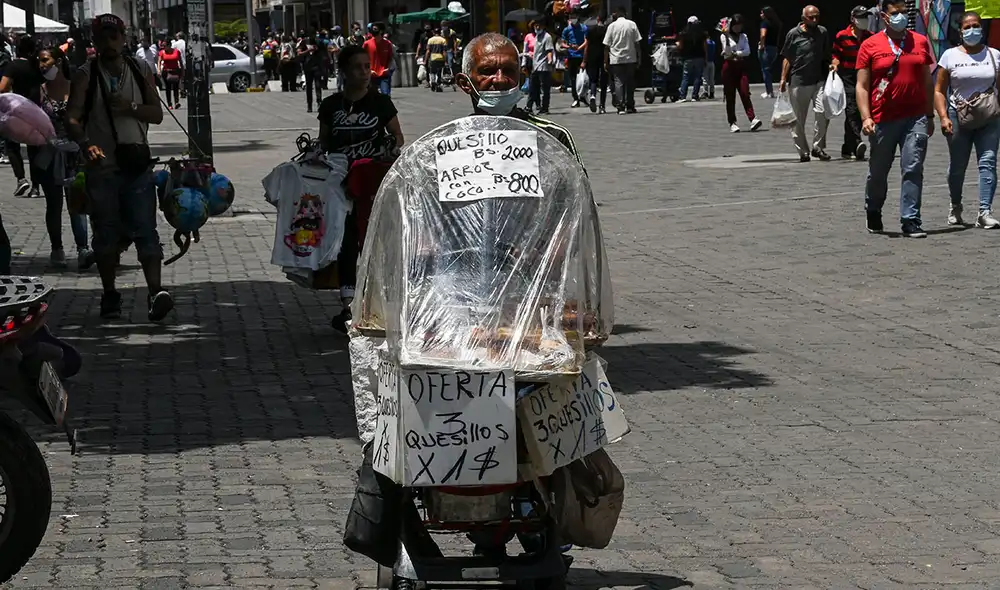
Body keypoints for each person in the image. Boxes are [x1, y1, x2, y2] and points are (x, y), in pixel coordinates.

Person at [66, 14, 171, 320]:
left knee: (146, 231)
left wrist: (130, 107)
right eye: (102, 38)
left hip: (137, 165)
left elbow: (157, 114)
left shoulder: (140, 69)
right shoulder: (86, 75)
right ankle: (110, 293)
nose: (109, 43)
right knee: (106, 234)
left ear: (124, 38)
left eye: (114, 37)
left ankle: (156, 293)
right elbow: (72, 117)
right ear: (95, 42)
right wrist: (86, 144)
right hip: (103, 168)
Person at [318, 44, 403, 331]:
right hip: (339, 184)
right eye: (357, 67)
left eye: (367, 66)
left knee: (373, 240)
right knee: (345, 241)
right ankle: (348, 304)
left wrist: (388, 148)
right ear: (343, 71)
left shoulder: (381, 103)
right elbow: (324, 142)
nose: (364, 72)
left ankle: (375, 303)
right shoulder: (331, 106)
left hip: (371, 184)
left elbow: (398, 135)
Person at [857, 0, 935, 238]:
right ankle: (873, 208)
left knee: (913, 167)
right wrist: (866, 117)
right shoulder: (870, 45)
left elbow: (927, 81)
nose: (901, 16)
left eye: (903, 12)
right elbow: (862, 86)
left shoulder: (920, 41)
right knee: (878, 171)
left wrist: (930, 114)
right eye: (895, 12)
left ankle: (910, 219)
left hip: (915, 116)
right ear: (884, 16)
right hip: (883, 118)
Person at [935, 11, 1000, 229]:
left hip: (989, 117)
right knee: (957, 166)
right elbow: (939, 90)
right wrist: (943, 116)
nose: (972, 30)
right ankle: (955, 205)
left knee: (988, 162)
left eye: (976, 26)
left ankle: (985, 211)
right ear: (960, 31)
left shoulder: (994, 55)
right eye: (967, 27)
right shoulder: (950, 56)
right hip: (958, 116)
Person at [37, 48, 92, 269]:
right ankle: (57, 248)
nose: (42, 65)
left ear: (58, 62)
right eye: (40, 61)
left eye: (45, 60)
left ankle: (83, 249)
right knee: (53, 204)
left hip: (74, 154)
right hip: (49, 154)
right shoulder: (39, 91)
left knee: (77, 202)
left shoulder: (74, 88)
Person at [780, 5, 832, 162]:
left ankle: (818, 147)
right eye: (811, 17)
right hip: (799, 81)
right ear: (803, 18)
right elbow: (787, 57)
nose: (815, 20)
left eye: (817, 16)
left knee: (823, 112)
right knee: (798, 119)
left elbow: (827, 54)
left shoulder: (822, 32)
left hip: (819, 80)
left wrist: (831, 65)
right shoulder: (793, 34)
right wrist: (783, 78)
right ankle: (803, 151)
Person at [0, 35, 44, 197]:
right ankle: (36, 187)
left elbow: (3, 87)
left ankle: (21, 178)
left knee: (12, 145)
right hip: (35, 110)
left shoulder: (13, 66)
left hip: (17, 109)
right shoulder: (37, 66)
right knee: (33, 150)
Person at [833, 6, 873, 161]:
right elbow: (836, 55)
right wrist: (834, 65)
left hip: (865, 76)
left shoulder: (871, 37)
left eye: (865, 17)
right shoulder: (842, 36)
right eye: (861, 17)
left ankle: (847, 146)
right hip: (848, 76)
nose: (864, 20)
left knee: (859, 109)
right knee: (851, 109)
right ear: (853, 19)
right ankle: (857, 142)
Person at [720, 15, 762, 133]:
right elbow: (727, 52)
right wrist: (727, 37)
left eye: (740, 26)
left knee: (745, 92)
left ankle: (753, 118)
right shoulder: (724, 36)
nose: (738, 28)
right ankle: (732, 122)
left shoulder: (744, 36)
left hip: (741, 66)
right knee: (730, 96)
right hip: (729, 67)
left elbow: (747, 51)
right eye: (736, 26)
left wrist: (737, 53)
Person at [604, 5, 642, 115]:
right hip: (630, 58)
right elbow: (637, 43)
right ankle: (630, 105)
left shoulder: (611, 26)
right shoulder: (632, 24)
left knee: (618, 82)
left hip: (616, 59)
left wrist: (605, 61)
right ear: (626, 13)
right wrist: (639, 57)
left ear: (616, 14)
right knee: (630, 82)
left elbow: (606, 46)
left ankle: (620, 106)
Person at [582, 13, 608, 113]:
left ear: (597, 19)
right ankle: (602, 106)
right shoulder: (606, 30)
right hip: (603, 57)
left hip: (592, 57)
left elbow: (587, 46)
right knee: (603, 81)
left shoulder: (591, 30)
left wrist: (584, 60)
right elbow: (607, 46)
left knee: (593, 79)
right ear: (605, 20)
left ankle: (592, 95)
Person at [677, 15, 707, 102]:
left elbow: (680, 46)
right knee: (698, 77)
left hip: (688, 57)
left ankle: (682, 96)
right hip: (699, 57)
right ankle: (695, 96)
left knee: (686, 77)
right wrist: (706, 58)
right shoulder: (702, 34)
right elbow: (705, 47)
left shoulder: (683, 33)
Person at [527, 20, 554, 115]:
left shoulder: (547, 37)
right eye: (536, 26)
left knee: (545, 89)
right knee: (532, 87)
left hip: (544, 66)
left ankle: (545, 107)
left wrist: (550, 60)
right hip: (535, 66)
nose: (537, 28)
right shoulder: (537, 37)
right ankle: (529, 107)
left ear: (543, 26)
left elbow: (549, 50)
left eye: (539, 26)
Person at [561, 14, 587, 107]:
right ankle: (576, 98)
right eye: (571, 18)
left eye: (574, 18)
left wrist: (579, 48)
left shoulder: (583, 28)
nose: (573, 20)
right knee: (573, 79)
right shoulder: (567, 29)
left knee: (585, 78)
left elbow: (586, 41)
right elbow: (562, 43)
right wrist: (569, 46)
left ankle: (583, 96)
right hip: (571, 56)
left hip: (582, 55)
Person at [299, 35, 328, 112]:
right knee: (308, 86)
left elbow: (324, 54)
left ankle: (319, 102)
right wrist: (308, 50)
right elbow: (299, 53)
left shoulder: (319, 42)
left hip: (317, 67)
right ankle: (309, 105)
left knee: (318, 85)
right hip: (307, 67)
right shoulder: (303, 42)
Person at [363, 23, 394, 95]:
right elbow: (362, 59)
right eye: (372, 29)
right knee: (371, 96)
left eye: (375, 29)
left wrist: (388, 68)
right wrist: (369, 70)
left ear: (381, 31)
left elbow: (390, 58)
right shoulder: (367, 44)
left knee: (385, 95)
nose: (373, 31)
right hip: (371, 75)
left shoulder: (387, 44)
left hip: (384, 74)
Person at [758, 6, 782, 98]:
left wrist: (762, 45)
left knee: (765, 70)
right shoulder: (777, 24)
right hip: (774, 48)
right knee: (769, 69)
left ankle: (769, 92)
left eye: (762, 13)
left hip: (766, 48)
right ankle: (770, 90)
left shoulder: (764, 23)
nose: (760, 15)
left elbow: (763, 35)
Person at [157, 39, 182, 110]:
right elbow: (159, 61)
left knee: (176, 87)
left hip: (175, 71)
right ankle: (169, 104)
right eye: (162, 46)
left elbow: (180, 61)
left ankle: (176, 102)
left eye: (165, 46)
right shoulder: (162, 52)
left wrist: (182, 71)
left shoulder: (176, 51)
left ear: (169, 45)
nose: (163, 47)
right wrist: (159, 70)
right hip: (166, 71)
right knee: (168, 88)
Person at [425, 28, 448, 92]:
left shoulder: (430, 40)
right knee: (439, 72)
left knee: (432, 72)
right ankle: (438, 83)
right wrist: (446, 60)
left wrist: (425, 60)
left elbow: (428, 51)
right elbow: (444, 52)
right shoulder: (443, 40)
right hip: (440, 58)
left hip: (433, 58)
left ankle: (432, 81)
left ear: (434, 33)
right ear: (440, 33)